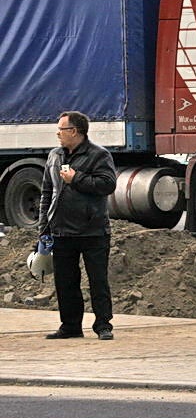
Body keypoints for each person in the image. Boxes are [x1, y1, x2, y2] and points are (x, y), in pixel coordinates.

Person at [39, 111, 117, 340]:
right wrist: (44, 226)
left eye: (61, 130)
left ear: (74, 131)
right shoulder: (54, 156)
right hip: (61, 230)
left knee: (98, 281)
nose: (57, 134)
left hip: (93, 230)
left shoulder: (98, 155)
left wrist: (77, 179)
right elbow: (47, 191)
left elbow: (107, 184)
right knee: (65, 282)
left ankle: (103, 325)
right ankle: (70, 326)